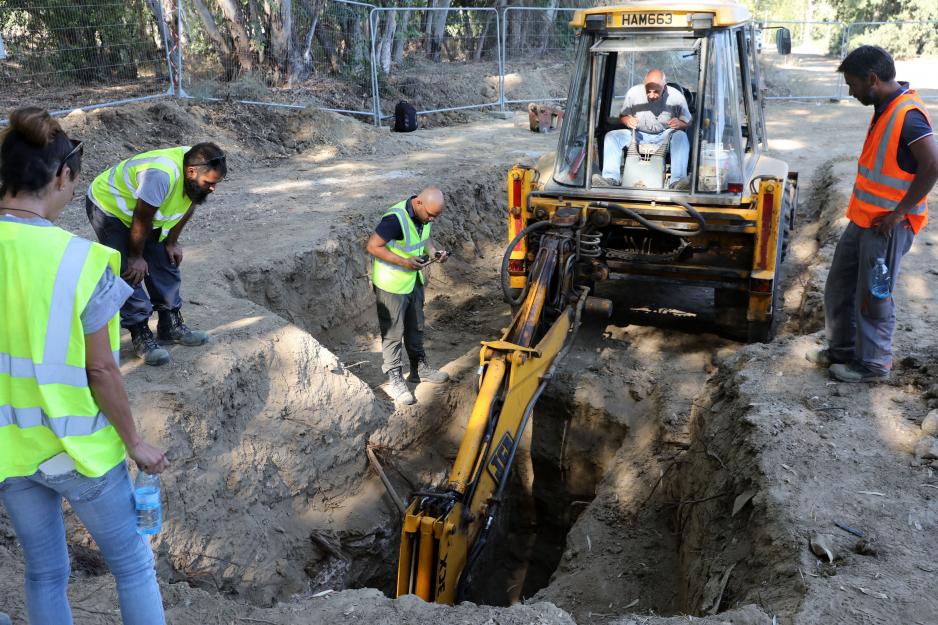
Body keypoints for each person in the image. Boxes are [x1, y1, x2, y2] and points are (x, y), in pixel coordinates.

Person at [0, 107, 170, 624]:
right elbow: (101, 371)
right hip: (82, 453)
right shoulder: (81, 259)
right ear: (61, 176)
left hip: (11, 449)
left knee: (45, 572)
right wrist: (136, 443)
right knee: (134, 567)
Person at [807, 46, 938, 383]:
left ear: (873, 79)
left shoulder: (908, 115)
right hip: (865, 219)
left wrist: (900, 214)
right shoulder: (885, 105)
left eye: (852, 85)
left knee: (874, 294)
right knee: (839, 284)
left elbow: (933, 165)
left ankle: (873, 365)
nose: (850, 92)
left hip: (888, 226)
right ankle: (843, 350)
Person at [86, 143, 227, 366]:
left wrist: (172, 242)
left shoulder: (197, 163)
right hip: (110, 208)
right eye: (209, 183)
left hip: (143, 211)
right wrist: (135, 257)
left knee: (164, 258)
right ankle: (140, 332)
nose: (213, 188)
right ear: (191, 172)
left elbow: (189, 204)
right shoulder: (161, 175)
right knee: (128, 270)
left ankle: (170, 325)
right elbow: (141, 219)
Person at [366, 188, 451, 405]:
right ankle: (395, 377)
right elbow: (372, 246)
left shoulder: (425, 215)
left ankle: (419, 368)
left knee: (416, 327)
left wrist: (434, 253)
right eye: (430, 215)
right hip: (391, 283)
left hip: (413, 281)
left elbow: (425, 238)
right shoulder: (395, 218)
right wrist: (404, 262)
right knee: (393, 333)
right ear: (419, 203)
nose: (432, 219)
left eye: (435, 216)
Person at [594, 69, 692, 189]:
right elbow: (622, 116)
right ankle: (611, 179)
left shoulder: (677, 97)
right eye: (648, 91)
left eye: (656, 92)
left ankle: (677, 182)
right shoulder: (633, 93)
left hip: (665, 136)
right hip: (638, 134)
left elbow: (688, 121)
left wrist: (680, 123)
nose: (651, 95)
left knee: (681, 136)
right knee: (612, 136)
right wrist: (627, 120)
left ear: (664, 87)